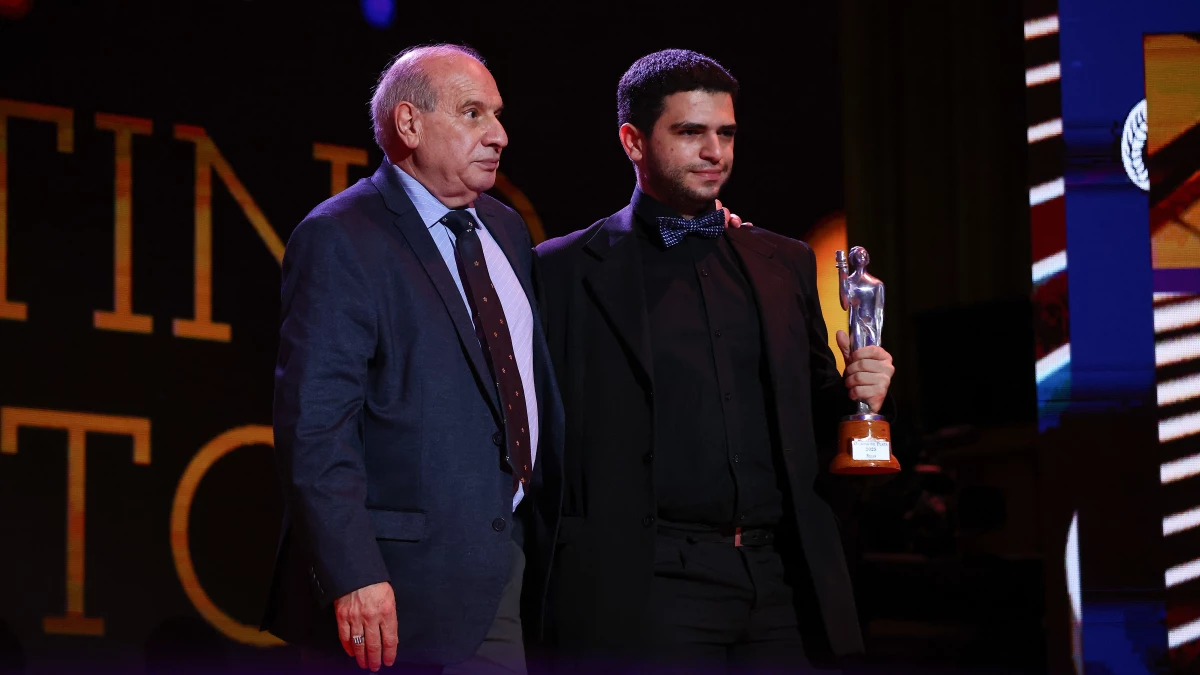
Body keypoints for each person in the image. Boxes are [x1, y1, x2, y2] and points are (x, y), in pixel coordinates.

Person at [533, 49, 896, 673]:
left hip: (778, 578)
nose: (715, 152)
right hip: (649, 584)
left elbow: (810, 410)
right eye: (690, 132)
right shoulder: (563, 270)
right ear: (633, 141)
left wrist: (863, 393)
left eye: (725, 133)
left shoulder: (782, 262)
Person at [261, 44, 565, 674]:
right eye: (474, 113)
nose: (500, 135)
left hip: (506, 564)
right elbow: (316, 426)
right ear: (409, 124)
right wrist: (354, 574)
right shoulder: (342, 236)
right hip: (396, 591)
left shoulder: (506, 230)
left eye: (498, 114)